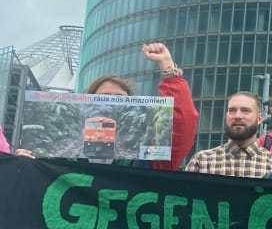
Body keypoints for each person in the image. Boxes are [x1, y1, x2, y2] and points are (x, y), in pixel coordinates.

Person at [15, 43, 197, 170]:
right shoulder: (56, 155)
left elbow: (183, 125)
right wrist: (23, 164)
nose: (110, 103)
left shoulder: (148, 158)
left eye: (119, 98)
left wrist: (168, 69)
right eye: (103, 97)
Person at [184, 91, 272, 177]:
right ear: (226, 116)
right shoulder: (202, 161)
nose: (237, 116)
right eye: (232, 110)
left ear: (260, 118)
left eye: (245, 111)